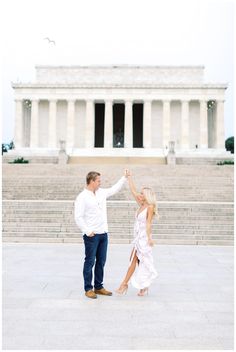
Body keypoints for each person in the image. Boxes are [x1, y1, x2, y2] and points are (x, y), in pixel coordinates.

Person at [74, 171, 127, 299]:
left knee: (101, 261)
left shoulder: (101, 192)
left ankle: (98, 287)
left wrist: (124, 177)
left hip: (103, 233)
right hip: (91, 236)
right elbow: (78, 217)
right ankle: (88, 288)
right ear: (91, 181)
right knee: (90, 261)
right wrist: (87, 231)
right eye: (98, 180)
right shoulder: (82, 197)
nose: (100, 182)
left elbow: (114, 189)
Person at [116, 171, 158, 296]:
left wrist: (149, 238)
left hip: (144, 238)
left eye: (142, 193)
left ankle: (124, 284)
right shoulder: (141, 205)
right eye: (140, 193)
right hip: (138, 237)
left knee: (134, 261)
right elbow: (133, 191)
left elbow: (148, 223)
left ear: (147, 195)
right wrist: (129, 178)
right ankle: (144, 286)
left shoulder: (149, 207)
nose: (140, 194)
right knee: (140, 261)